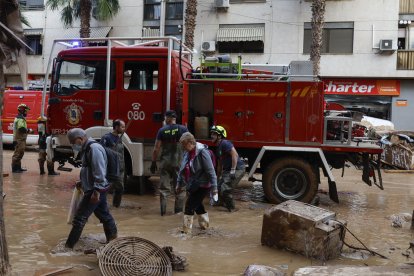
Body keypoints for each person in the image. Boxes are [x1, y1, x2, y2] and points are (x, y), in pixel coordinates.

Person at [65, 128, 117, 249]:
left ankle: (67, 249)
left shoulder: (94, 149)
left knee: (79, 219)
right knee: (104, 216)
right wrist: (82, 182)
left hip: (95, 190)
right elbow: (89, 169)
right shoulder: (87, 148)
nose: (73, 145)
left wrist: (96, 192)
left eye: (73, 142)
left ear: (80, 139)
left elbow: (99, 171)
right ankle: (113, 241)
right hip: (95, 188)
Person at [176, 132, 217, 234]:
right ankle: (205, 227)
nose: (183, 147)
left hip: (203, 185)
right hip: (194, 184)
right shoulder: (188, 153)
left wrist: (215, 188)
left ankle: (186, 232)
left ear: (190, 142)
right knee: (197, 204)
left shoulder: (203, 152)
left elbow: (211, 171)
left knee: (189, 205)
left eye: (184, 145)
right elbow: (182, 170)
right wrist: (179, 184)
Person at [151, 110, 188, 216]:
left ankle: (163, 213)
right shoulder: (183, 129)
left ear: (168, 118)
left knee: (163, 188)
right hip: (179, 163)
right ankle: (178, 212)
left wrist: (153, 162)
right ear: (175, 118)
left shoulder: (162, 130)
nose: (164, 120)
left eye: (165, 118)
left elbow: (156, 148)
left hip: (165, 163)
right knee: (180, 188)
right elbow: (190, 144)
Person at [210, 125, 245, 212]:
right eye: (212, 134)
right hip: (227, 170)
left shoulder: (225, 143)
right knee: (218, 187)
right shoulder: (218, 147)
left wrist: (233, 170)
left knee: (225, 189)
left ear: (220, 136)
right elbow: (220, 164)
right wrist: (217, 178)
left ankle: (232, 208)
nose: (212, 136)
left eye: (214, 134)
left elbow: (235, 155)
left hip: (237, 169)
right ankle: (221, 203)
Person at [100, 119, 126, 208]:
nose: (124, 129)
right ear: (116, 127)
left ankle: (116, 206)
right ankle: (100, 205)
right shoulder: (106, 138)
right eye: (122, 127)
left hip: (120, 168)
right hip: (110, 168)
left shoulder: (120, 138)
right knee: (106, 187)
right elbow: (101, 152)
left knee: (120, 188)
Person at [11, 103, 32, 173]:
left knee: (20, 153)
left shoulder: (21, 118)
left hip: (21, 139)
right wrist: (29, 130)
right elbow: (21, 129)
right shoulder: (20, 119)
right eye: (26, 110)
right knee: (17, 154)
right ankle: (15, 169)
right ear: (22, 110)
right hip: (19, 139)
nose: (27, 112)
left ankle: (18, 168)